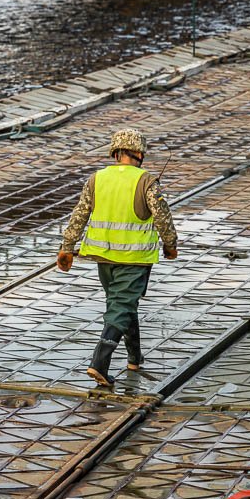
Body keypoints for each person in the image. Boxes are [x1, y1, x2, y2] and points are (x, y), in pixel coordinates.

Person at [57, 128, 178, 388]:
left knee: (122, 305)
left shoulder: (96, 179)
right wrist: (170, 245)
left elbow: (79, 215)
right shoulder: (147, 181)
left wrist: (67, 246)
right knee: (121, 308)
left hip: (103, 258)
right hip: (134, 258)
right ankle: (99, 363)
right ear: (139, 153)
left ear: (115, 152)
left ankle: (134, 357)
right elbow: (163, 218)